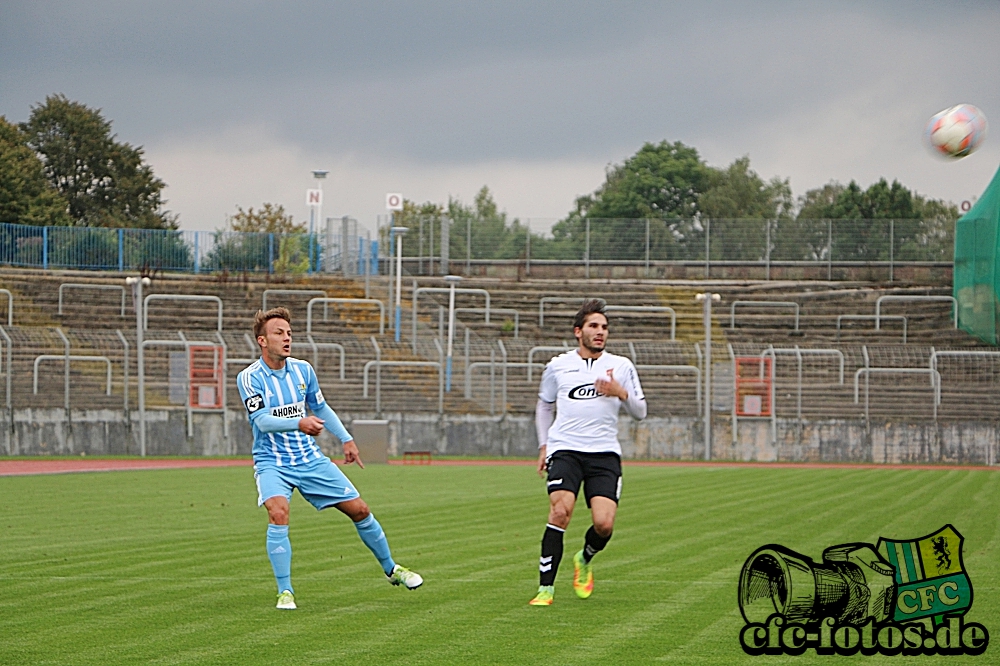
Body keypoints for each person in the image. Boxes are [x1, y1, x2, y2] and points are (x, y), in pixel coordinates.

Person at [237, 307, 422, 610]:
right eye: (279, 333)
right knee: (278, 512)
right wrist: (299, 423)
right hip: (272, 461)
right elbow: (262, 421)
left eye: (289, 333)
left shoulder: (302, 370)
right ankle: (285, 591)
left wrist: (346, 438)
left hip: (309, 458)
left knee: (360, 510)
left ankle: (392, 569)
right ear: (262, 340)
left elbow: (320, 408)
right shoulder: (248, 378)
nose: (287, 338)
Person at [529, 299, 647, 606]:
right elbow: (544, 405)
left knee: (604, 524)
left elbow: (640, 412)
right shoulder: (557, 366)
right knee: (560, 511)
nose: (600, 332)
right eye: (594, 326)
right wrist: (544, 445)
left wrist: (620, 393)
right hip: (565, 449)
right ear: (578, 331)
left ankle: (584, 558)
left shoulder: (622, 366)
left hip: (604, 454)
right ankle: (546, 589)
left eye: (604, 328)